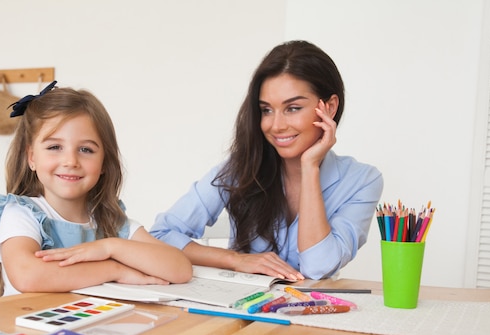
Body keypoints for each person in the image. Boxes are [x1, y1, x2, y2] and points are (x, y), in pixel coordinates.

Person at [150, 40, 383, 281]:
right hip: (243, 308)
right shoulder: (241, 168)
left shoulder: (363, 180)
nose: (276, 126)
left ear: (329, 107)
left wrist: (310, 166)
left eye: (293, 108)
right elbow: (160, 234)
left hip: (310, 313)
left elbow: (317, 267)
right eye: (266, 110)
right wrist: (235, 259)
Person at [0, 82, 192, 299]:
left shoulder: (111, 221)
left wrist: (111, 248)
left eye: (85, 149)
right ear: (32, 158)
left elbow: (180, 269)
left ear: (104, 164)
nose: (71, 161)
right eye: (54, 147)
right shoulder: (23, 214)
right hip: (30, 328)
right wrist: (113, 269)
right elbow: (27, 275)